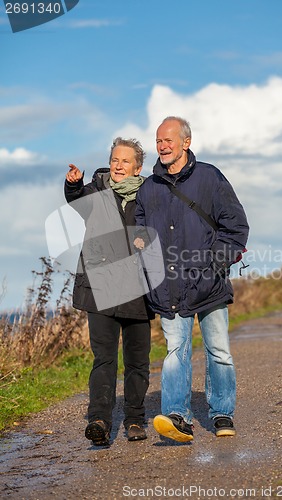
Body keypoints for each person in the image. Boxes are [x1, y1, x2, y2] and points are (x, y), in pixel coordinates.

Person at [135, 117, 249, 442]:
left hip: (209, 284)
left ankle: (222, 412)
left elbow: (236, 227)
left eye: (169, 140)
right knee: (175, 352)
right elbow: (141, 235)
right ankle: (177, 417)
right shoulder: (148, 188)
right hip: (168, 288)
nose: (162, 146)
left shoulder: (210, 178)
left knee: (219, 351)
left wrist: (213, 265)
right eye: (158, 141)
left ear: (186, 142)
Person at [64, 137, 152, 446]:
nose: (117, 164)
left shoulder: (149, 196)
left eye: (125, 161)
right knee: (103, 359)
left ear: (138, 168)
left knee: (137, 361)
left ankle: (135, 420)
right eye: (115, 159)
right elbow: (76, 202)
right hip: (100, 289)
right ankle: (99, 420)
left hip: (139, 291)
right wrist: (73, 185)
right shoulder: (96, 191)